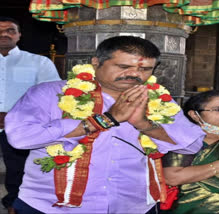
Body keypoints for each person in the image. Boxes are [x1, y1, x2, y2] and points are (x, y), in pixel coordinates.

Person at [4, 36, 205, 214]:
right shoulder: (49, 93)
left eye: (144, 69)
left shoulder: (158, 101)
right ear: (96, 62)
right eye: (124, 67)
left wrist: (144, 124)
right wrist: (103, 120)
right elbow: (19, 138)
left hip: (131, 205)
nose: (134, 74)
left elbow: (190, 145)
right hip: (51, 206)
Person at [0, 16, 60, 214]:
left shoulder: (39, 62)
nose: (4, 34)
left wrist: (12, 116)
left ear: (19, 35)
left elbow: (53, 95)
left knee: (19, 168)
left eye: (10, 30)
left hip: (21, 127)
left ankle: (14, 204)